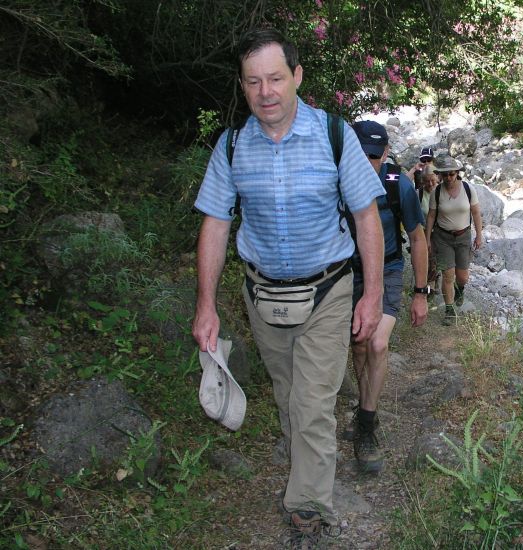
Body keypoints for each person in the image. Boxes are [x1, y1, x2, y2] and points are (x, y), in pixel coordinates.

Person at [191, 28, 386, 547]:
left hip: (328, 291)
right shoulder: (232, 145)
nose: (266, 92)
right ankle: (302, 454)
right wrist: (206, 305)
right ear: (242, 86)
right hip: (263, 296)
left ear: (297, 76)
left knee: (314, 403)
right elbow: (215, 224)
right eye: (253, 81)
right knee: (288, 395)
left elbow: (366, 216)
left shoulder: (334, 135)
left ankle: (307, 510)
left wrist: (371, 295)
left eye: (276, 78)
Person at [347, 121, 429, 472]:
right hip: (350, 272)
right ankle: (364, 405)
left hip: (389, 269)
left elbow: (418, 237)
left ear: (385, 153)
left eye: (374, 155)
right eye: (361, 154)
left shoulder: (398, 184)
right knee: (359, 345)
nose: (368, 163)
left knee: (378, 343)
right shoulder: (338, 179)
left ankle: (367, 424)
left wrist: (421, 293)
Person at [425, 156, 483, 325]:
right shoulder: (437, 192)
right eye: (445, 175)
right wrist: (427, 239)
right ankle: (449, 311)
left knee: (462, 276)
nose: (448, 178)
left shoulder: (468, 189)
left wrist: (479, 235)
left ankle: (460, 289)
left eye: (451, 174)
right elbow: (431, 216)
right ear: (440, 175)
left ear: (457, 173)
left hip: (463, 237)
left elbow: (476, 213)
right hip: (442, 238)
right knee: (447, 275)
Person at [418, 165, 440, 294]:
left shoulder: (442, 191)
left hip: (441, 231)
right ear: (422, 181)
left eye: (432, 180)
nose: (430, 184)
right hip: (424, 230)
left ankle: (433, 283)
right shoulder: (419, 194)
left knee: (436, 259)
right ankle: (429, 285)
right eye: (427, 181)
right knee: (429, 256)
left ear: (437, 178)